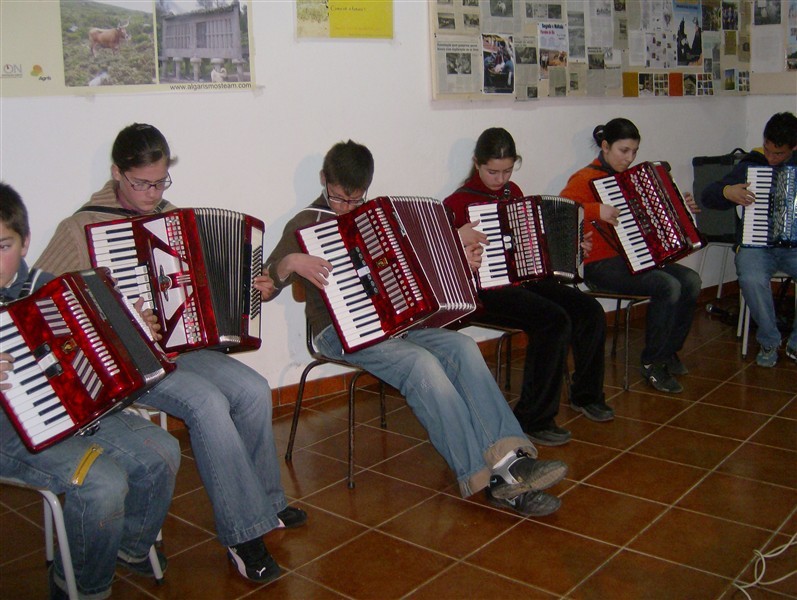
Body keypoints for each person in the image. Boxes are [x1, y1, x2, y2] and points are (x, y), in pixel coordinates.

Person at [33, 124, 306, 583]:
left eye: (160, 182)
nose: (152, 194)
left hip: (180, 348)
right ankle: (243, 535)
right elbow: (42, 310)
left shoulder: (171, 219)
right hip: (124, 360)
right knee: (207, 403)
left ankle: (266, 502)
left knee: (254, 388)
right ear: (117, 173)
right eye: (142, 183)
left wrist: (250, 286)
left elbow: (204, 286)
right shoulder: (79, 228)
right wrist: (118, 317)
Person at [260, 139, 569, 518]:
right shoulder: (304, 223)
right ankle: (485, 476)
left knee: (462, 348)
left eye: (356, 200)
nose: (347, 208)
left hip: (395, 324)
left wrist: (461, 258)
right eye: (340, 199)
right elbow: (266, 287)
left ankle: (511, 460)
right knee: (419, 364)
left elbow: (418, 268)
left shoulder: (377, 219)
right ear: (324, 181)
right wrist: (289, 262)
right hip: (337, 332)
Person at [0, 182, 180, 600]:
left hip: (75, 414)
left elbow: (98, 353)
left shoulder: (49, 288)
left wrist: (131, 327)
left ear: (25, 242)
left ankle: (126, 548)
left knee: (163, 452)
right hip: (9, 432)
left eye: (3, 245)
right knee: (102, 483)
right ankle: (81, 587)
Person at [444, 127, 612, 443]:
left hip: (523, 280)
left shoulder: (514, 192)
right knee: (552, 320)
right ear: (476, 163)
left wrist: (575, 247)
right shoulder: (456, 203)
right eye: (492, 171)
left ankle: (587, 395)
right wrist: (458, 243)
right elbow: (441, 259)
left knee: (588, 309)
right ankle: (533, 418)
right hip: (484, 291)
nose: (500, 178)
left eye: (507, 170)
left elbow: (531, 246)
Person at [560, 118, 702, 394]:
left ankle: (668, 351)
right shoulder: (583, 179)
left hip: (634, 257)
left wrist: (682, 206)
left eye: (634, 151)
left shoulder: (635, 180)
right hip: (598, 265)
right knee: (668, 285)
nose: (629, 158)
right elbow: (562, 212)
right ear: (605, 146)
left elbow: (653, 218)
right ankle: (652, 363)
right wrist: (594, 210)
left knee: (692, 280)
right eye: (623, 150)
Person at [701, 111, 797, 367]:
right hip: (757, 246)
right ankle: (769, 340)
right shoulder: (751, 164)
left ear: (794, 148)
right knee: (751, 278)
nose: (771, 158)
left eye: (779, 154)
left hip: (794, 248)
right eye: (768, 149)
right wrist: (727, 191)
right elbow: (708, 196)